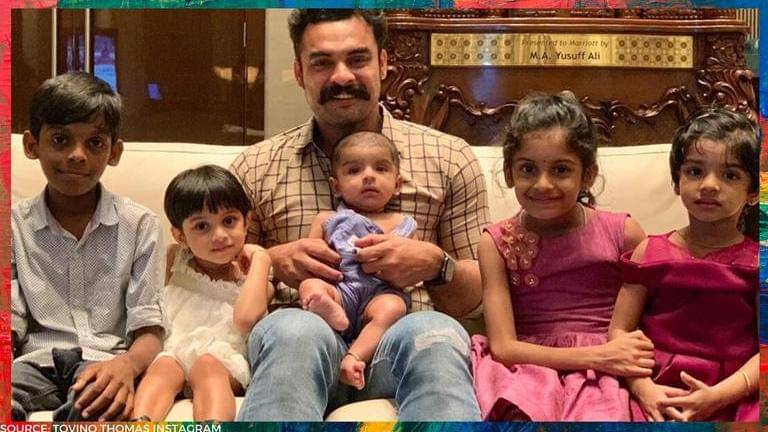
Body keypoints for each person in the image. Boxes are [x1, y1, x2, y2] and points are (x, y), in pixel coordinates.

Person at [230, 9, 488, 420]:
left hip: (399, 341)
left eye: (357, 59)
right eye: (322, 63)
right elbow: (213, 279)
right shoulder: (255, 167)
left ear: (383, 63)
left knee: (435, 335)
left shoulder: (449, 158)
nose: (342, 76)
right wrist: (272, 262)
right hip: (302, 339)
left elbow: (479, 298)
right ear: (299, 72)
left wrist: (436, 265)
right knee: (294, 331)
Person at [470, 91, 652, 421]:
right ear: (509, 173)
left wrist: (628, 368)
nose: (543, 184)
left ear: (588, 174)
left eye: (561, 170)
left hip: (608, 370)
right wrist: (599, 356)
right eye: (528, 169)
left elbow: (652, 317)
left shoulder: (623, 232)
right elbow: (504, 347)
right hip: (528, 368)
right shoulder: (495, 243)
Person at [11, 72, 167, 421]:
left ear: (115, 152)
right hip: (33, 363)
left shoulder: (140, 226)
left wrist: (128, 365)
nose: (77, 155)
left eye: (95, 143)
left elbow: (150, 326)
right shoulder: (13, 226)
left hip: (105, 365)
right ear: (31, 145)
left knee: (99, 407)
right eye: (60, 140)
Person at [609, 108, 760, 421]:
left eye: (730, 175)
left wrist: (720, 396)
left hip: (737, 391)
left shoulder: (759, 263)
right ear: (677, 182)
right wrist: (642, 388)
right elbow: (620, 329)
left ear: (753, 192)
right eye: (695, 171)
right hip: (654, 385)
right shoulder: (648, 252)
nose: (709, 185)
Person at [131, 165, 272, 421]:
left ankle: (213, 425)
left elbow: (245, 319)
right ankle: (141, 423)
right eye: (202, 226)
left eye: (229, 221)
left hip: (224, 360)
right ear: (180, 236)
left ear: (247, 222)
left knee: (207, 367)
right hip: (173, 349)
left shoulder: (252, 278)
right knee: (162, 368)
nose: (219, 235)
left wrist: (262, 258)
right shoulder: (173, 259)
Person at [300, 131, 415, 390]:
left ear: (397, 184)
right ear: (336, 186)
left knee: (393, 307)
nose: (368, 176)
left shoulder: (404, 224)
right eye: (354, 170)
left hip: (379, 293)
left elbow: (411, 271)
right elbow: (310, 260)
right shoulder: (326, 219)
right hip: (339, 289)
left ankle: (354, 357)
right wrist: (319, 283)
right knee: (310, 286)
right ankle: (330, 311)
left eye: (380, 168)